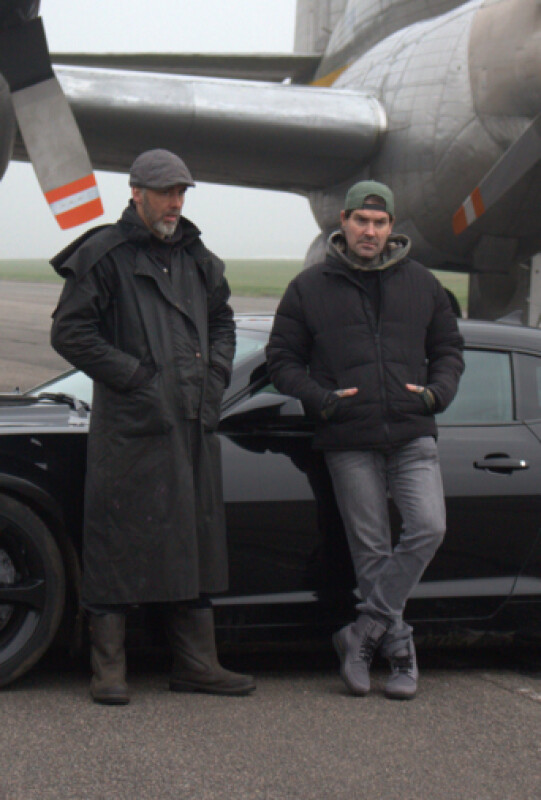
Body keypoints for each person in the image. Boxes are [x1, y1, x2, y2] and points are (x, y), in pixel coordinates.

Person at [50, 149, 255, 704]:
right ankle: (108, 669)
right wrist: (138, 378)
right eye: (165, 192)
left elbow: (223, 322)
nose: (175, 202)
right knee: (116, 540)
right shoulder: (105, 254)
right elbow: (70, 333)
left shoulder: (198, 257)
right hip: (131, 425)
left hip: (192, 421)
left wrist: (215, 378)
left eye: (181, 192)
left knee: (195, 539)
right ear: (136, 193)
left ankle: (197, 664)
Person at [266, 180, 464, 700]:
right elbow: (282, 360)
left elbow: (449, 348)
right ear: (344, 222)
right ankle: (399, 653)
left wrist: (436, 394)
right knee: (370, 550)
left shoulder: (422, 283)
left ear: (391, 227)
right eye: (361, 221)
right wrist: (322, 400)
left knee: (429, 527)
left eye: (379, 223)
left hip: (411, 431)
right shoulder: (309, 287)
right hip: (347, 436)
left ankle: (361, 632)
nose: (370, 231)